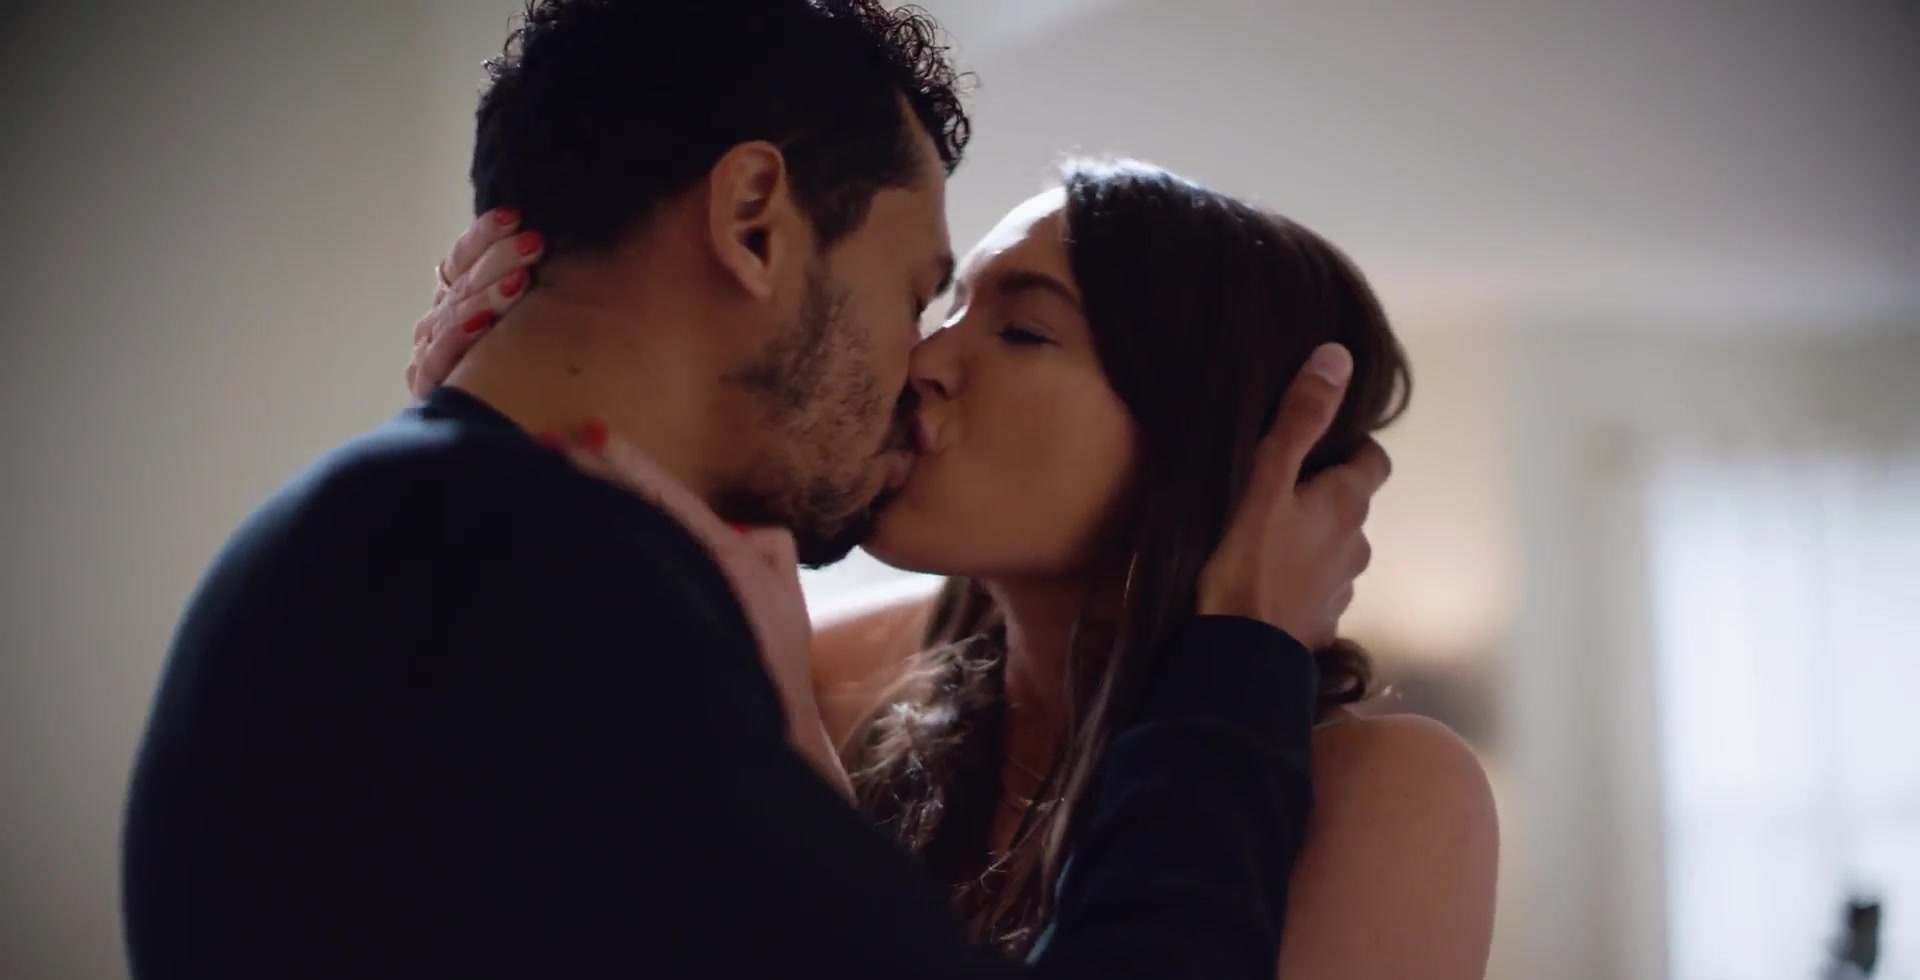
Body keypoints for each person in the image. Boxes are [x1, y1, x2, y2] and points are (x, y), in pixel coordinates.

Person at [122, 3, 1391, 979]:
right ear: (752, 219)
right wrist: (1239, 657)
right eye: (917, 293)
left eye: (1014, 327)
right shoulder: (542, 600)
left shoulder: (433, 545)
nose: (918, 361)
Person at [419, 160, 1500, 976]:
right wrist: (504, 415)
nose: (925, 361)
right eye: (945, 309)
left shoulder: (1385, 793)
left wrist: (792, 765)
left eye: (1024, 332)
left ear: (1205, 436)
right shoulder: (832, 671)